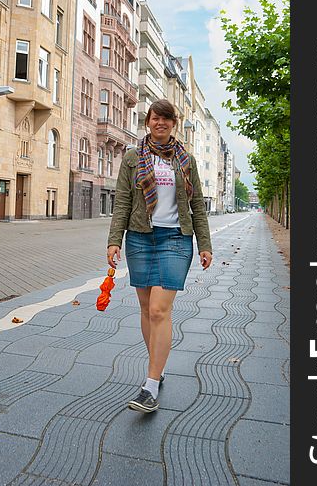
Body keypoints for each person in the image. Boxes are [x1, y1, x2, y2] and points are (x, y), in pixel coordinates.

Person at [107, 99, 213, 413]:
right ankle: (159, 366)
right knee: (144, 307)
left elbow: (198, 207)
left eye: (166, 119)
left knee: (158, 310)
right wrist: (114, 241)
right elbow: (123, 203)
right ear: (148, 122)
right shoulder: (131, 158)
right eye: (155, 118)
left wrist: (204, 244)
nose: (160, 124)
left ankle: (150, 387)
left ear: (173, 124)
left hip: (176, 239)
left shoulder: (186, 159)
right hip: (140, 237)